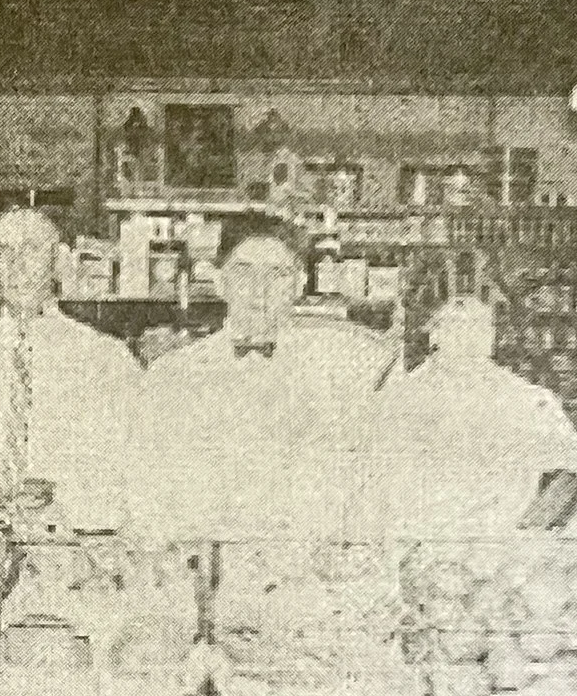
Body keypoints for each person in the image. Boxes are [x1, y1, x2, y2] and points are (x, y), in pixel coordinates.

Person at [135, 216, 397, 541]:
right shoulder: (173, 375)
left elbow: (360, 485)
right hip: (205, 563)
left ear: (300, 285)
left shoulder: (335, 375)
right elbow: (147, 493)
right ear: (218, 281)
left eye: (277, 275)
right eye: (244, 272)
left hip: (300, 572)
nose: (259, 290)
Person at [0, 207, 142, 529]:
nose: (17, 266)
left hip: (73, 547)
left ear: (58, 262)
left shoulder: (105, 360)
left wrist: (64, 503)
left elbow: (132, 472)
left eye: (31, 248)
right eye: (2, 252)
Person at [367, 294, 577, 540]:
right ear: (435, 335)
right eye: (456, 326)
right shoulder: (403, 398)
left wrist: (552, 544)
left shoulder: (526, 399)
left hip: (499, 551)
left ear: (491, 338)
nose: (467, 337)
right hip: (419, 546)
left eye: (478, 327)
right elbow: (374, 483)